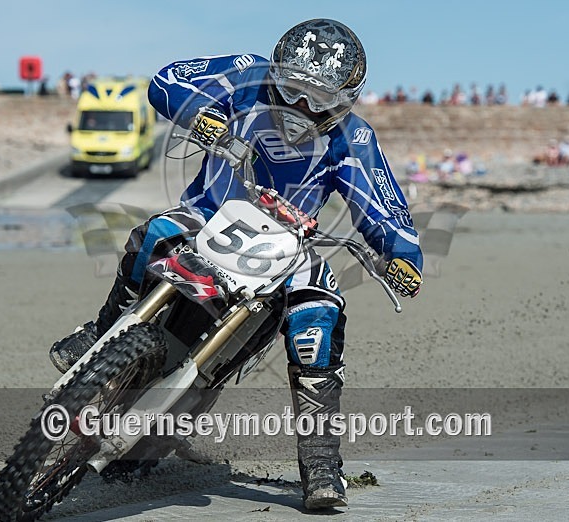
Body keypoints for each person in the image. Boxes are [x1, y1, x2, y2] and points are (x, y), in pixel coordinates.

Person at [48, 18, 423, 510]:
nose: (302, 107)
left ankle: (321, 462)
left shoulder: (353, 140)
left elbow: (384, 205)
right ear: (277, 72)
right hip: (207, 215)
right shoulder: (246, 76)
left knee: (319, 315)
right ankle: (100, 334)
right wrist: (200, 113)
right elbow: (168, 80)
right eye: (294, 89)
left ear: (346, 100)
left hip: (289, 248)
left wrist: (403, 255)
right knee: (153, 233)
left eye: (320, 100)